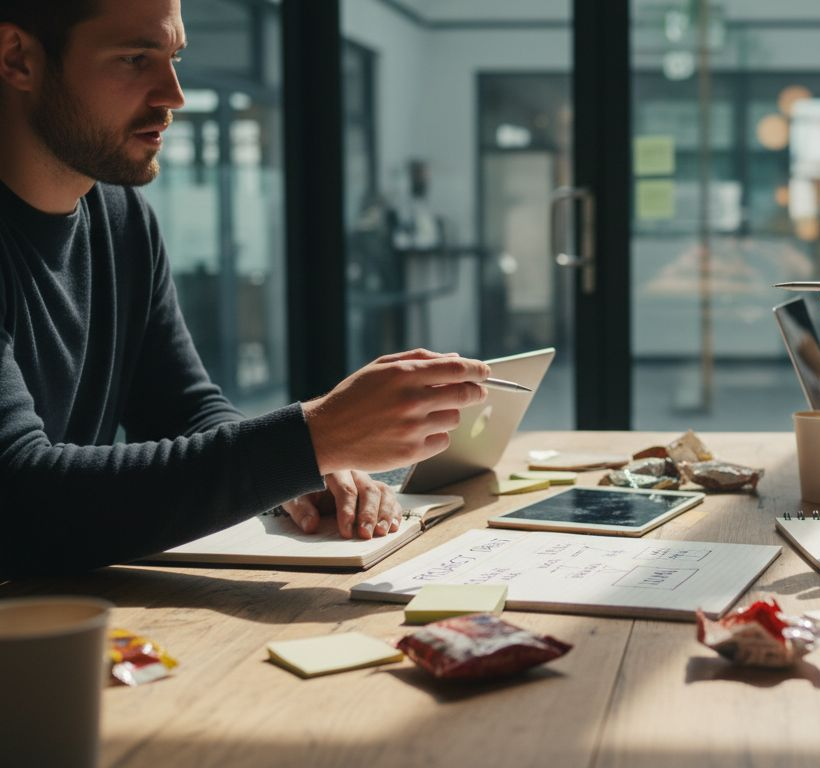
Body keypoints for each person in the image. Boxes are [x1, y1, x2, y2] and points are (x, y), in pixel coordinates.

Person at [0, 0, 491, 578]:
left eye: (174, 57)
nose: (174, 95)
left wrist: (305, 470)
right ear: (19, 59)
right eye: (135, 59)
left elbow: (183, 408)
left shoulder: (122, 215)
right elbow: (19, 501)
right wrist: (311, 440)